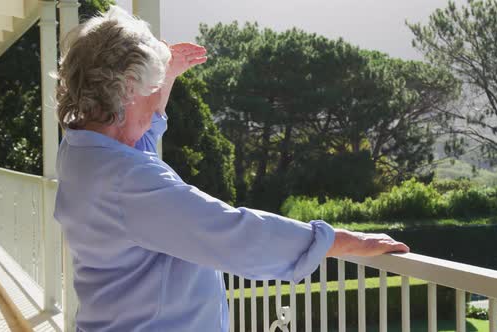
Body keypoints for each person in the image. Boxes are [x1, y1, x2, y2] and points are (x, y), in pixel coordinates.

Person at [53, 6, 409, 332]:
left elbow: (135, 138)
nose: (156, 101)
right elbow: (233, 234)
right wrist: (339, 241)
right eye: (154, 88)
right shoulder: (127, 182)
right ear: (128, 89)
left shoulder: (79, 149)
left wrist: (168, 74)